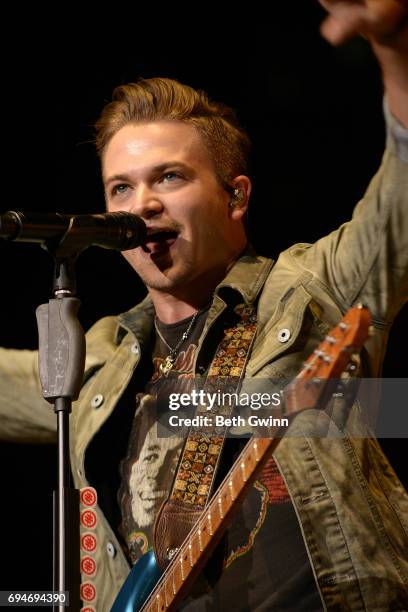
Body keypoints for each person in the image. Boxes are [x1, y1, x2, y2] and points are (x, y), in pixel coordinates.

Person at [1, 1, 408, 610]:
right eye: (121, 188)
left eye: (169, 178)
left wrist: (395, 46)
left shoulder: (312, 289)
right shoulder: (100, 362)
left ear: (235, 196)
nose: (141, 205)